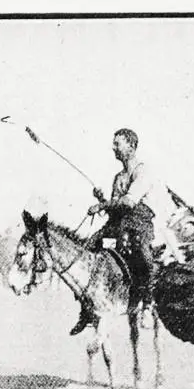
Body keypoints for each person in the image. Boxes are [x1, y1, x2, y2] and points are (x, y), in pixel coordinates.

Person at [70, 127, 158, 335]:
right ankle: (86, 311)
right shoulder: (118, 177)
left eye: (117, 143)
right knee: (87, 248)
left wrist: (101, 205)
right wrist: (102, 199)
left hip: (139, 223)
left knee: (144, 257)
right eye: (114, 143)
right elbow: (115, 211)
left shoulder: (141, 172)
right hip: (119, 224)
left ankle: (147, 304)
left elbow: (128, 203)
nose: (113, 148)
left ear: (132, 146)